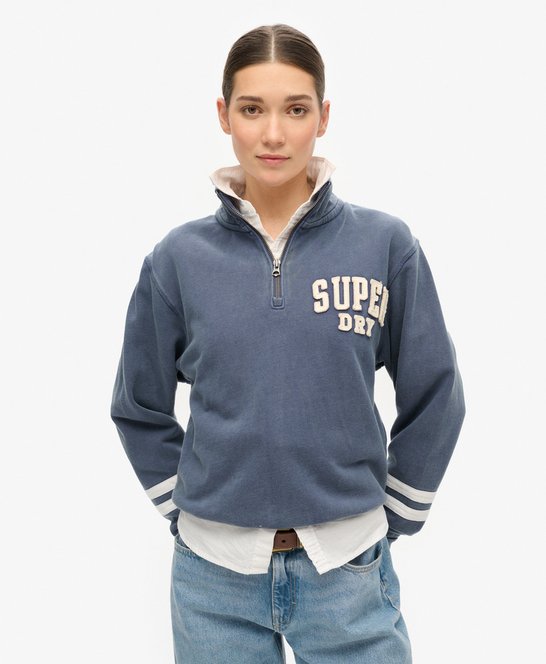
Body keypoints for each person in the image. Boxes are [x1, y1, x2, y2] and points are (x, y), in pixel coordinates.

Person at [110, 23, 466, 664]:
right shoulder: (177, 260)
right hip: (211, 580)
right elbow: (138, 405)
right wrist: (184, 507)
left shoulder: (386, 245)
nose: (273, 134)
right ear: (224, 115)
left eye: (295, 110)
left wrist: (396, 512)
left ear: (323, 117)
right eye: (252, 109)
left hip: (348, 572)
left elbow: (435, 392)